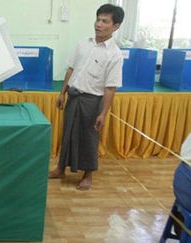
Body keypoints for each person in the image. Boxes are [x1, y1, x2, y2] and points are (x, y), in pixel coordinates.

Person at [49, 4, 125, 191]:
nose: (98, 24)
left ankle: (88, 174)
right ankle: (60, 169)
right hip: (73, 96)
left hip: (93, 101)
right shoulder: (83, 44)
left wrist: (104, 114)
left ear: (115, 26)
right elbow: (71, 69)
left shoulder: (115, 55)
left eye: (104, 21)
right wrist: (62, 93)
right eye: (98, 19)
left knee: (89, 138)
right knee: (67, 133)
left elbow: (110, 88)